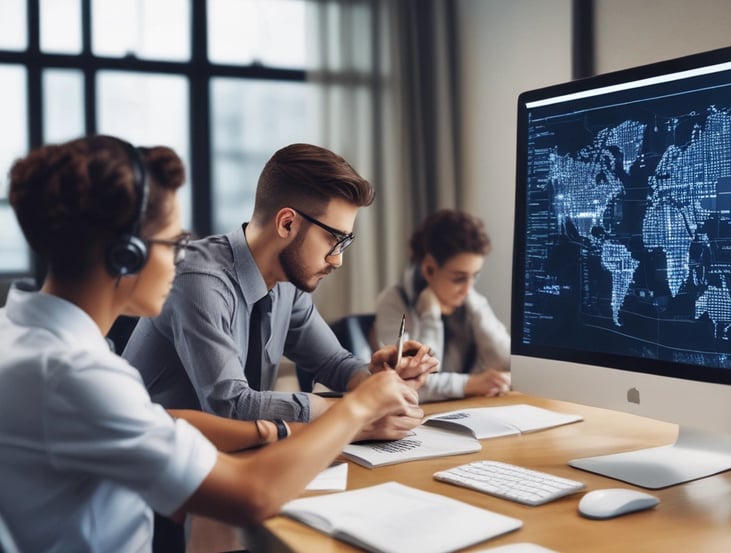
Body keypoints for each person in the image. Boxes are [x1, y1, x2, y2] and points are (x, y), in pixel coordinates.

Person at [0, 135, 419, 553]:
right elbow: (251, 494)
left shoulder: (26, 337)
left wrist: (286, 425)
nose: (183, 258)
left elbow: (162, 418)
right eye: (174, 242)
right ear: (126, 256)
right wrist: (356, 408)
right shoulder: (78, 376)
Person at [122, 143, 438, 425]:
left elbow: (333, 363)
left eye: (345, 242)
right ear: (287, 223)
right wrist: (351, 415)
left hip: (229, 460)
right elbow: (229, 404)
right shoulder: (199, 281)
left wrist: (379, 379)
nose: (337, 259)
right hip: (149, 472)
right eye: (334, 239)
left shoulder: (287, 281)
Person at [375, 208, 512, 403]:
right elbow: (410, 383)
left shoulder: (471, 299)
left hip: (472, 408)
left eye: (475, 276)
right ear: (429, 268)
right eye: (459, 278)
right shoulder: (394, 301)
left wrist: (475, 306)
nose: (468, 288)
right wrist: (431, 314)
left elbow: (507, 362)